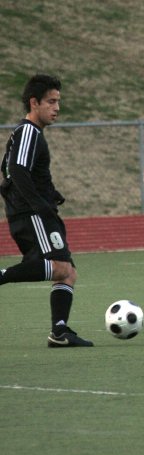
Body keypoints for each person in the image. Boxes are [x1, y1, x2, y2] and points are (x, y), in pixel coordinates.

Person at [0, 74, 93, 348]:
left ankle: (60, 331)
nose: (57, 108)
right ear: (34, 102)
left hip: (34, 211)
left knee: (68, 271)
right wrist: (39, 205)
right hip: (32, 215)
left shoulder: (32, 134)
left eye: (58, 102)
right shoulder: (28, 131)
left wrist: (50, 195)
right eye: (51, 102)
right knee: (60, 267)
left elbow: (16, 171)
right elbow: (16, 171)